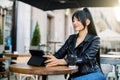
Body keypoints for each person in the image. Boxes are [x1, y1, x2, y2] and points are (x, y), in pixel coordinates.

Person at [43, 7, 105, 80]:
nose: (74, 23)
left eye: (78, 20)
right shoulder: (71, 39)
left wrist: (64, 61)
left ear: (87, 22)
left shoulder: (95, 39)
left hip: (92, 74)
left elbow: (85, 58)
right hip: (75, 76)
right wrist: (49, 58)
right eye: (73, 21)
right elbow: (59, 54)